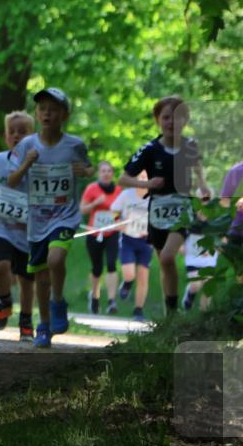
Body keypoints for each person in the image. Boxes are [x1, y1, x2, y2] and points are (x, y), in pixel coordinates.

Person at [7, 88, 95, 348]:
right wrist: (26, 165)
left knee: (56, 258)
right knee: (41, 277)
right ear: (36, 113)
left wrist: (84, 170)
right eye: (42, 109)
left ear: (64, 115)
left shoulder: (74, 144)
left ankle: (58, 301)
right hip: (37, 222)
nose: (47, 114)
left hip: (65, 216)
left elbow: (89, 168)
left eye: (53, 109)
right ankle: (44, 326)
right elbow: (11, 180)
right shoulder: (26, 146)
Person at [117, 96, 211, 316]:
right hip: (158, 211)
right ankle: (171, 314)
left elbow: (198, 170)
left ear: (185, 120)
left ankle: (173, 312)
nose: (171, 122)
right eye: (166, 117)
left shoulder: (190, 146)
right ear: (158, 120)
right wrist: (146, 183)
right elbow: (123, 179)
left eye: (177, 118)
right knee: (164, 263)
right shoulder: (149, 150)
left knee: (168, 257)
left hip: (182, 208)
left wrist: (203, 187)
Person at [0, 110, 36, 340]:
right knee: (0, 265)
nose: (16, 135)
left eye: (22, 132)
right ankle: (4, 302)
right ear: (5, 136)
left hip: (30, 230)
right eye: (12, 132)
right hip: (3, 226)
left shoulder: (38, 161)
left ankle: (25, 320)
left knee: (26, 279)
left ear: (32, 136)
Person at [79, 161, 122, 314]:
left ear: (112, 174)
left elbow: (121, 211)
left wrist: (118, 220)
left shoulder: (118, 191)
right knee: (97, 268)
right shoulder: (92, 189)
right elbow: (82, 210)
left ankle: (111, 301)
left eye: (109, 171)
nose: (106, 173)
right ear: (99, 173)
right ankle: (95, 297)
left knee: (111, 264)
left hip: (112, 233)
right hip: (94, 233)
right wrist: (95, 203)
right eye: (103, 171)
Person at [111, 170, 152, 322]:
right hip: (128, 238)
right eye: (140, 176)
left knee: (143, 277)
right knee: (129, 273)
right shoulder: (127, 195)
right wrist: (117, 222)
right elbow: (114, 210)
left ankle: (138, 310)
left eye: (146, 177)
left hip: (146, 241)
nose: (143, 180)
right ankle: (127, 283)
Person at [182, 232, 216, 312]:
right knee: (195, 284)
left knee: (208, 285)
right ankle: (188, 300)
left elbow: (224, 239)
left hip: (209, 260)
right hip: (193, 258)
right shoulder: (192, 223)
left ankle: (204, 313)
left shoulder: (217, 223)